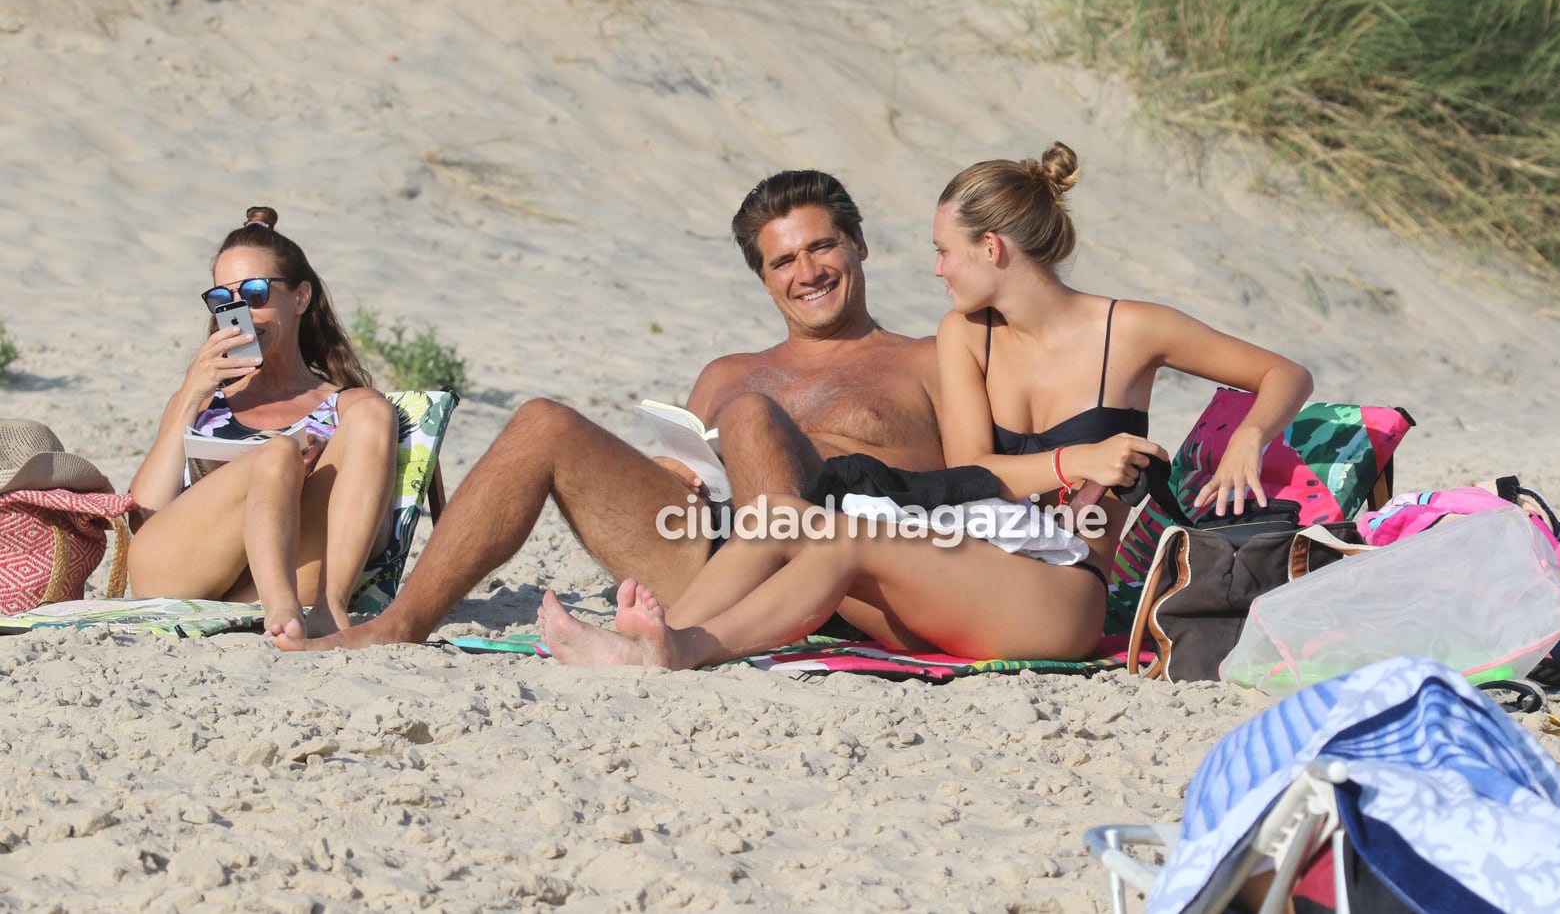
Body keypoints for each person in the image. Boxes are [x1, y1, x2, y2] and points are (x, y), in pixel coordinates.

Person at [536, 142, 1313, 669]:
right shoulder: (965, 336)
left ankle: (684, 650)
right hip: (976, 558)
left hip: (1063, 591)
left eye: (946, 250)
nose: (936, 268)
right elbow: (971, 473)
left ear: (994, 249)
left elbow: (1282, 371)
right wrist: (1071, 460)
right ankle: (653, 640)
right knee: (783, 517)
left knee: (846, 541)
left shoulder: (1131, 328)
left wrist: (1249, 438)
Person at [284, 170, 943, 651]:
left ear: (858, 242)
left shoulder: (926, 361)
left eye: (822, 247)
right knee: (542, 421)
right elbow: (683, 480)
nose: (809, 272)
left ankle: (706, 634)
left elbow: (983, 489)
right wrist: (674, 470)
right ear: (764, 276)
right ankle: (401, 622)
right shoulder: (729, 373)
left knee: (749, 416)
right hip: (723, 571)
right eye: (784, 260)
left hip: (854, 575)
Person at [127, 207, 399, 642]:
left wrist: (305, 479)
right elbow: (142, 518)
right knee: (276, 452)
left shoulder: (348, 409)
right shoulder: (201, 401)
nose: (240, 311)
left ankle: (323, 610)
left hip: (295, 576)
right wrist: (190, 395)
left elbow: (380, 534)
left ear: (300, 298)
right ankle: (281, 607)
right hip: (182, 575)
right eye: (223, 299)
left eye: (254, 293)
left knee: (370, 410)